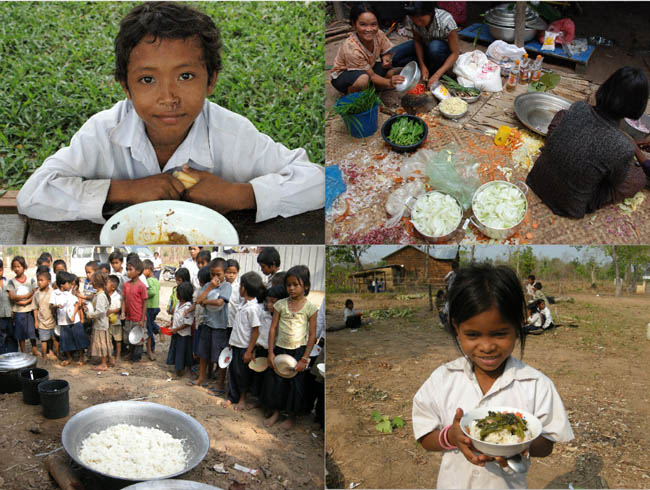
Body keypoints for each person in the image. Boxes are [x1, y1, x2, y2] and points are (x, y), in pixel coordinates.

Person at [16, 2, 324, 224]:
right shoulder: (103, 132)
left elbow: (318, 181)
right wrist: (127, 190)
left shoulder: (233, 134)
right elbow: (32, 195)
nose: (168, 97)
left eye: (186, 76)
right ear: (126, 86)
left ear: (211, 80)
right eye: (147, 80)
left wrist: (240, 195)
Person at [412, 264, 573, 488]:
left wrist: (519, 444)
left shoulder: (536, 385)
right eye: (473, 334)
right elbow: (425, 436)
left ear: (518, 326)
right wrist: (451, 437)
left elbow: (546, 446)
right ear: (456, 328)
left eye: (499, 334)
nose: (487, 347)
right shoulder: (443, 379)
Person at [526, 67, 650, 218]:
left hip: (536, 179)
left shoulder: (579, 106)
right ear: (637, 108)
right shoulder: (623, 147)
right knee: (639, 178)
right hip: (569, 205)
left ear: (605, 88)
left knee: (562, 115)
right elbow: (616, 182)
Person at [263, 265, 318, 430]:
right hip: (280, 348)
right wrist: (271, 352)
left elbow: (313, 335)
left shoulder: (310, 308)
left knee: (295, 386)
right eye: (289, 285)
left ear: (306, 286)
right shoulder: (280, 305)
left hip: (298, 351)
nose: (291, 288)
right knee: (277, 383)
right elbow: (273, 328)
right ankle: (276, 412)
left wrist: (305, 358)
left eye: (296, 284)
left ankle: (291, 416)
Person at [330, 2, 404, 94]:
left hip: (367, 68)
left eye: (373, 24)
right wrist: (389, 82)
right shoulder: (351, 48)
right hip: (344, 75)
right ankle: (353, 94)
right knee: (363, 80)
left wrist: (386, 57)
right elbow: (371, 75)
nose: (369, 29)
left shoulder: (378, 34)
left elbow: (387, 52)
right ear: (354, 24)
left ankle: (373, 88)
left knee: (390, 72)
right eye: (363, 24)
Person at [391, 1, 460, 88]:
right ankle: (427, 64)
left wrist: (436, 75)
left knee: (434, 47)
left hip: (441, 51)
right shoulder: (412, 17)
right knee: (394, 57)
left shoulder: (446, 20)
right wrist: (422, 65)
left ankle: (437, 69)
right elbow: (417, 41)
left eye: (421, 20)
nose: (418, 24)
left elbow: (455, 53)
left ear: (430, 13)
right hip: (424, 45)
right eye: (415, 21)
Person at [226, 271, 264, 411]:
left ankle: (242, 398)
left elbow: (255, 330)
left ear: (244, 288)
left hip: (244, 347)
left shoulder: (253, 308)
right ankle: (232, 396)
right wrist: (231, 342)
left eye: (240, 285)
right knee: (233, 372)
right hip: (236, 344)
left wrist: (249, 351)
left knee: (243, 374)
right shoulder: (243, 304)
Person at [192, 262, 231, 393]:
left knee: (220, 355)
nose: (215, 277)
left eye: (218, 274)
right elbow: (198, 300)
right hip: (207, 323)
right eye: (212, 274)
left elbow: (220, 302)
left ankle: (220, 384)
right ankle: (202, 377)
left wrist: (205, 301)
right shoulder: (208, 285)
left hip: (219, 326)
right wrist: (209, 289)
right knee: (203, 353)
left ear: (224, 273)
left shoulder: (226, 286)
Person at [52, 271, 89, 366]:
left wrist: (73, 315)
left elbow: (76, 304)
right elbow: (52, 305)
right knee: (66, 340)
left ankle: (81, 357)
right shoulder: (55, 293)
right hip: (63, 321)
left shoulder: (71, 293)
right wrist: (56, 306)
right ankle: (69, 358)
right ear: (62, 284)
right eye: (69, 283)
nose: (70, 285)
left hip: (74, 320)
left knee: (79, 339)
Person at [7, 256, 38, 356]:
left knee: (32, 331)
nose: (17, 269)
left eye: (19, 266)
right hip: (18, 311)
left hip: (30, 310)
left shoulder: (31, 280)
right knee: (20, 334)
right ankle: (23, 351)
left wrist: (27, 301)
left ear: (24, 267)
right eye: (14, 267)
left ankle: (34, 349)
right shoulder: (11, 282)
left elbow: (35, 293)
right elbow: (12, 296)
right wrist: (26, 296)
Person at [121, 256, 148, 363]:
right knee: (129, 337)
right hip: (129, 316)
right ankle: (131, 354)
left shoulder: (141, 286)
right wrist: (123, 312)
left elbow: (145, 302)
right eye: (127, 269)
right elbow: (123, 299)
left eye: (130, 269)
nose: (128, 272)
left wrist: (142, 319)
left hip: (138, 317)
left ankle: (137, 358)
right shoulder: (126, 285)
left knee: (138, 339)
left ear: (138, 271)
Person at [84, 271, 114, 371]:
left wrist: (91, 315)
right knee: (105, 342)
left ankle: (104, 364)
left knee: (102, 344)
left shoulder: (101, 296)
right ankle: (110, 359)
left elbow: (100, 311)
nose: (91, 283)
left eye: (93, 282)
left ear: (97, 283)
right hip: (101, 323)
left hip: (100, 324)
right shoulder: (99, 294)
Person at [166, 281, 195, 378]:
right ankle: (178, 368)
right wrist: (170, 324)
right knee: (176, 350)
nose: (176, 295)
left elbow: (188, 323)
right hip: (176, 332)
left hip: (183, 334)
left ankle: (180, 370)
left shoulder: (188, 307)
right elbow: (175, 317)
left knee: (181, 352)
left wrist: (176, 329)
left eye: (178, 293)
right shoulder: (178, 303)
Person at [32, 269, 57, 360]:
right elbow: (35, 308)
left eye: (42, 280)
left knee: (52, 337)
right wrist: (36, 321)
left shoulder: (53, 292)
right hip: (42, 320)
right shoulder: (36, 294)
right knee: (43, 339)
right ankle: (44, 355)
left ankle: (52, 352)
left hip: (52, 319)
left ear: (48, 281)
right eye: (38, 280)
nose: (39, 282)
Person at [143, 259, 161, 358]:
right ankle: (158, 329)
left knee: (148, 326)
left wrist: (144, 294)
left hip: (150, 307)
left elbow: (152, 292)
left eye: (143, 270)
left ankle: (151, 347)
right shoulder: (156, 280)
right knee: (150, 323)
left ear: (148, 270)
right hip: (155, 306)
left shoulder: (149, 281)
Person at [0, 259, 18, 354]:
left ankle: (13, 355)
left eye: (0, 270)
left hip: (9, 315)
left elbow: (12, 299)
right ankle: (2, 358)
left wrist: (13, 311)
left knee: (11, 336)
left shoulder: (8, 283)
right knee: (1, 338)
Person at [106, 275, 123, 364]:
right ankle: (110, 355)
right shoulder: (105, 295)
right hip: (107, 322)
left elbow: (119, 309)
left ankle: (118, 355)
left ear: (113, 287)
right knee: (108, 339)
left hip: (116, 321)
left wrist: (110, 311)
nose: (104, 286)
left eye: (106, 284)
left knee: (117, 339)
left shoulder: (117, 296)